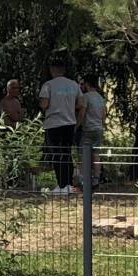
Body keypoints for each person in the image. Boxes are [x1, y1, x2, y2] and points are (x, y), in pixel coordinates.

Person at [37, 55, 81, 194]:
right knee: (67, 153)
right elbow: (80, 103)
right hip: (69, 123)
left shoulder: (48, 85)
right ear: (64, 70)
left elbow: (44, 104)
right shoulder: (73, 84)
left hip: (54, 124)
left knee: (56, 154)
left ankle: (61, 186)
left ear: (52, 70)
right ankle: (68, 184)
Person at [78, 73, 107, 189]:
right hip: (98, 129)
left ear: (87, 84)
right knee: (96, 155)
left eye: (83, 84)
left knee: (83, 154)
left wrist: (77, 125)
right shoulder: (100, 98)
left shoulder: (86, 97)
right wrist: (102, 125)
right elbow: (104, 114)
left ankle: (84, 180)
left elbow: (82, 113)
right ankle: (96, 179)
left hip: (88, 129)